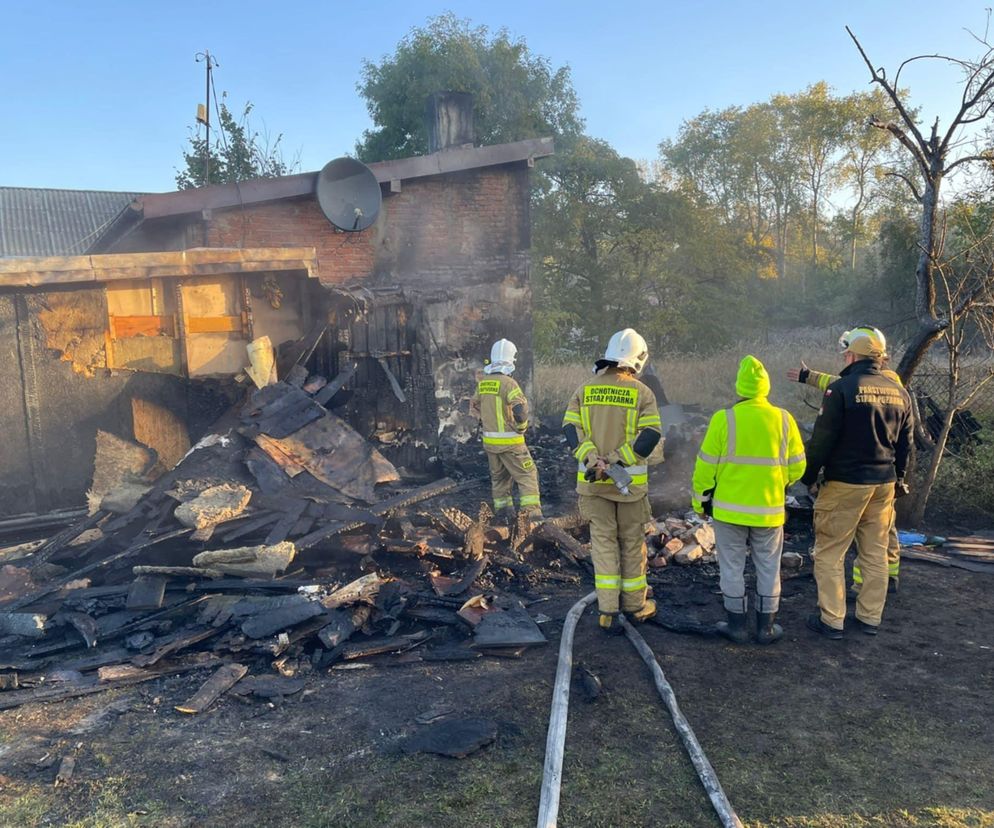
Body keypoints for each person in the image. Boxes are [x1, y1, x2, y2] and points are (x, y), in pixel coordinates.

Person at [801, 326, 913, 639]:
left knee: (830, 552)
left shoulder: (842, 389)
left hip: (845, 483)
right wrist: (899, 477)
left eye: (846, 353)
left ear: (852, 355)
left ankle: (832, 620)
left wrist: (807, 478)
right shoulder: (899, 391)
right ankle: (869, 619)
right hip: (883, 484)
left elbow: (822, 440)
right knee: (875, 553)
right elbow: (907, 443)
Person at [692, 356, 806, 645]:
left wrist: (701, 502)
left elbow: (705, 466)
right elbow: (798, 466)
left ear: (739, 388)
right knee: (768, 566)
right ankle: (766, 628)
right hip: (769, 512)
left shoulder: (724, 418)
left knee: (731, 567)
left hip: (729, 513)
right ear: (765, 387)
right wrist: (780, 483)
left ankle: (737, 627)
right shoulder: (784, 419)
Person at [562, 329, 662, 634]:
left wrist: (594, 460)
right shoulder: (642, 393)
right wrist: (616, 460)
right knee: (631, 544)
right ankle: (634, 606)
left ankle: (607, 611)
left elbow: (569, 430)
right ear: (638, 359)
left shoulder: (584, 390)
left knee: (603, 545)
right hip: (629, 487)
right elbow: (650, 436)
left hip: (593, 485)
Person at [469, 339, 542, 521]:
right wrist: (521, 427)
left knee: (499, 480)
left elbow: (474, 405)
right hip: (511, 444)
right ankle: (532, 517)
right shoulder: (509, 383)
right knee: (527, 476)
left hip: (491, 444)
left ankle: (504, 516)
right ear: (510, 360)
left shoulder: (484, 383)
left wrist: (485, 420)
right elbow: (520, 409)